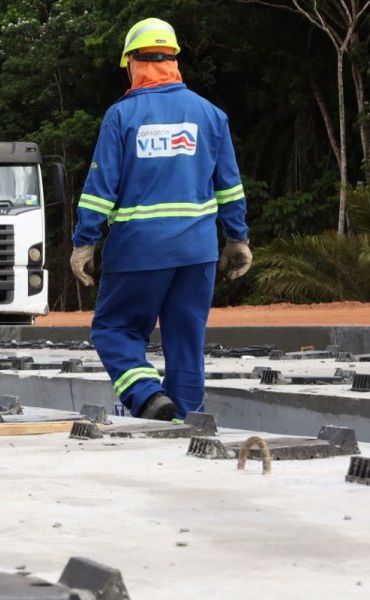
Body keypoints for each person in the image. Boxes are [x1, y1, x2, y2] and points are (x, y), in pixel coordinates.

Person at [70, 18, 252, 422]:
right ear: (173, 60)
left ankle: (148, 396)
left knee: (113, 330)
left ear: (133, 62)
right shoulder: (210, 115)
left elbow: (100, 188)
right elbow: (230, 187)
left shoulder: (122, 116)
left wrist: (85, 242)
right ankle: (186, 420)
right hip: (197, 253)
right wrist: (236, 238)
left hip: (138, 250)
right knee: (186, 340)